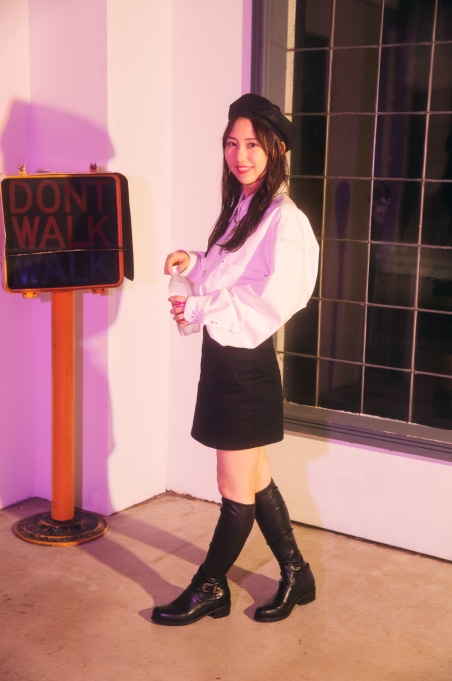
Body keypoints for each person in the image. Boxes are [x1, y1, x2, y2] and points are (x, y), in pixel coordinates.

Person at [151, 93, 319, 626]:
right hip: (225, 359)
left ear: (276, 149)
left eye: (251, 145)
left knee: (234, 492)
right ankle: (297, 573)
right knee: (256, 478)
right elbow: (235, 272)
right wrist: (195, 261)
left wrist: (199, 304)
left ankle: (209, 587)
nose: (239, 155)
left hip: (246, 366)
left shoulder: (285, 219)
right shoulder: (244, 207)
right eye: (231, 143)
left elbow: (275, 298)